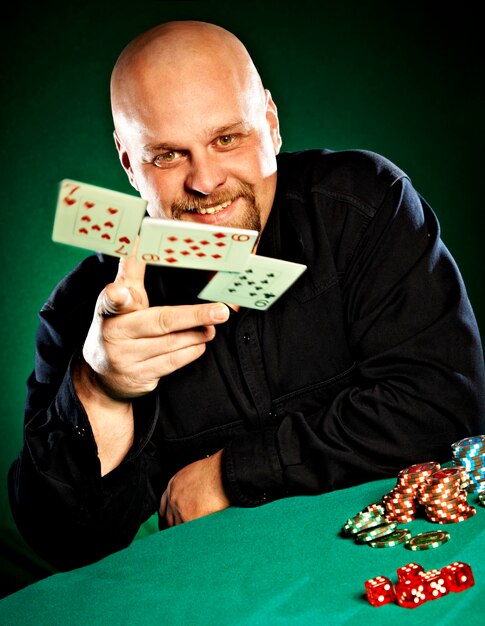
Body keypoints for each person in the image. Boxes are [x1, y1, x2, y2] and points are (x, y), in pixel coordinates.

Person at [9, 20, 485, 571]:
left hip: (388, 557)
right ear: (128, 163)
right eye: (167, 155)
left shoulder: (364, 205)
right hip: (222, 586)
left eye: (226, 139)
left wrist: (231, 473)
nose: (206, 181)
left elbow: (446, 407)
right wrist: (100, 389)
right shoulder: (84, 309)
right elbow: (63, 545)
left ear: (272, 124)